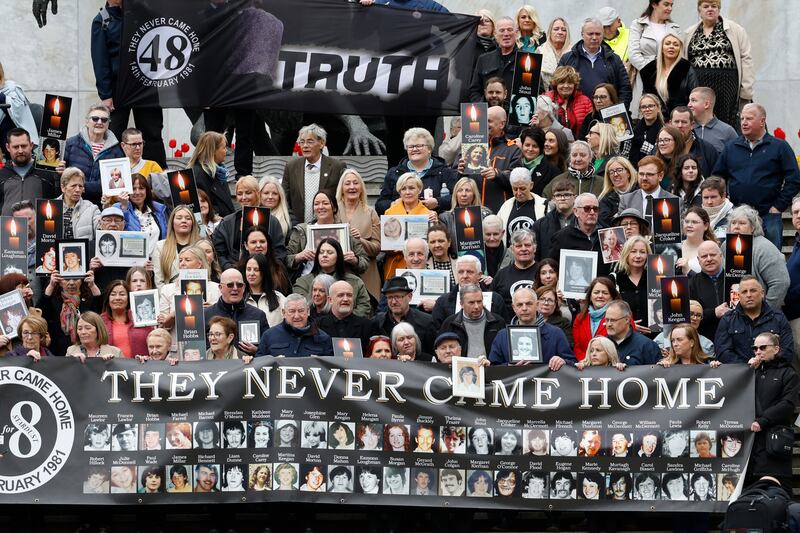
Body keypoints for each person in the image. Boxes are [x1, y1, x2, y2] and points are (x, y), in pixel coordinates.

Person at [713, 103, 800, 249]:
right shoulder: (731, 147)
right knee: (739, 258)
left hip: (769, 215)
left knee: (771, 255)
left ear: (762, 121)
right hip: (738, 215)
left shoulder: (779, 147)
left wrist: (778, 206)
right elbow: (717, 178)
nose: (744, 122)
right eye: (742, 119)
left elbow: (794, 179)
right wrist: (725, 201)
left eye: (749, 118)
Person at [684, 0, 754, 128]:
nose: (710, 9)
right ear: (699, 10)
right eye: (706, 6)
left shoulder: (735, 29)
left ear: (719, 9)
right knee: (700, 121)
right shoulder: (690, 33)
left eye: (714, 6)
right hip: (698, 85)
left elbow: (746, 58)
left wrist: (746, 90)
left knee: (725, 123)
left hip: (726, 87)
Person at [746, 332, 800, 491]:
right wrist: (747, 370)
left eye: (763, 347)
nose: (758, 352)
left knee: (778, 492)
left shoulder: (788, 373)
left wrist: (762, 420)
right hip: (752, 444)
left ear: (776, 349)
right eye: (755, 348)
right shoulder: (752, 371)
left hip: (774, 441)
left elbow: (788, 404)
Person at [376, 128, 457, 216]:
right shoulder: (394, 173)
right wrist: (394, 204)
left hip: (435, 222)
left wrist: (438, 202)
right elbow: (380, 205)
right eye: (410, 146)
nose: (414, 149)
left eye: (419, 146)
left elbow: (457, 198)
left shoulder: (444, 172)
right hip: (401, 222)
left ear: (429, 149)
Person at [213, 175, 287, 270]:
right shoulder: (227, 222)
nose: (244, 197)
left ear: (257, 194)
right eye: (240, 194)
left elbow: (279, 252)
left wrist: (267, 270)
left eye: (248, 193)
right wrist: (229, 268)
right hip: (233, 272)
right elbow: (219, 252)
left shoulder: (272, 221)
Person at [489, 287, 575, 369]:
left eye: (529, 304)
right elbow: (493, 367)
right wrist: (509, 366)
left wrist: (563, 361)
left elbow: (573, 363)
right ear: (514, 308)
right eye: (519, 305)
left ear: (537, 305)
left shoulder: (555, 333)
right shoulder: (502, 335)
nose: (524, 308)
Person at [715, 276, 794, 364]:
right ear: (739, 296)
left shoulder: (778, 318)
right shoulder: (728, 319)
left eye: (753, 290)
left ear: (762, 293)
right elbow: (722, 352)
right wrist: (748, 366)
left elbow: (787, 351)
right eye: (744, 292)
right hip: (740, 371)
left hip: (772, 371)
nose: (749, 295)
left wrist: (763, 366)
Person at [558, 18, 632, 108]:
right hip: (576, 113)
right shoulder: (567, 59)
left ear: (603, 35)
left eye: (598, 34)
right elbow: (555, 86)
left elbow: (625, 89)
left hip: (607, 113)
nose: (594, 38)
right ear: (582, 34)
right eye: (590, 34)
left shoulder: (614, 59)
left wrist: (618, 112)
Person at [727, 204, 790, 310]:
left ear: (752, 227)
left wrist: (766, 311)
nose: (736, 227)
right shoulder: (726, 246)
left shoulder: (765, 248)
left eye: (742, 223)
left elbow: (781, 282)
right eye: (733, 223)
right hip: (733, 312)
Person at [461, 106, 522, 213]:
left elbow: (518, 179)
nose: (484, 124)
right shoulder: (470, 145)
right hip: (471, 211)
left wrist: (497, 174)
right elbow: (454, 180)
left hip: (499, 212)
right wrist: (459, 171)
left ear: (502, 124)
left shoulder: (512, 149)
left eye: (489, 121)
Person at [281, 123, 347, 223]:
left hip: (328, 226)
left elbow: (343, 199)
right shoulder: (291, 167)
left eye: (310, 142)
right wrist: (294, 223)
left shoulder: (337, 167)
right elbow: (284, 199)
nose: (305, 146)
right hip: (298, 226)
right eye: (302, 142)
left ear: (322, 143)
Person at [61, 104, 125, 204]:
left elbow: (112, 185)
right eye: (95, 119)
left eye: (104, 120)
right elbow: (61, 176)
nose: (99, 122)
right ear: (87, 122)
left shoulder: (116, 151)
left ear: (108, 124)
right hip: (71, 202)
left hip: (101, 204)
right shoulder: (71, 143)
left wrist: (78, 185)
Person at [628, 1, 681, 117]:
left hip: (668, 77)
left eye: (671, 5)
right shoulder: (638, 24)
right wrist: (652, 71)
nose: (670, 8)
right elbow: (633, 54)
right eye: (666, 4)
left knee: (667, 113)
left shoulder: (675, 28)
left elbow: (680, 54)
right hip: (645, 76)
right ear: (654, 4)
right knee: (646, 112)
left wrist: (667, 72)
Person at [293, 237, 370, 317]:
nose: (324, 255)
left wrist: (343, 318)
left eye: (330, 252)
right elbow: (300, 306)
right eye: (321, 252)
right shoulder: (303, 282)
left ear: (338, 256)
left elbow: (364, 307)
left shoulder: (354, 281)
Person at [380, 173, 437, 279]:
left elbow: (434, 246)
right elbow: (383, 244)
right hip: (394, 265)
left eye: (411, 188)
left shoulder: (428, 215)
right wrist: (390, 248)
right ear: (399, 191)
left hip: (420, 266)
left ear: (419, 190)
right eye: (403, 189)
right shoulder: (390, 212)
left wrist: (436, 224)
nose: (407, 192)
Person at [336, 169, 382, 300]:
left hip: (366, 274)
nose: (352, 187)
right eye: (347, 183)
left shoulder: (370, 213)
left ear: (361, 188)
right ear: (341, 188)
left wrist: (359, 240)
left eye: (356, 183)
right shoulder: (333, 210)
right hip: (338, 272)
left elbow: (376, 248)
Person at [204, 268, 269, 356]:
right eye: (230, 285)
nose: (235, 288)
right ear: (220, 287)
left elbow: (268, 350)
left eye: (239, 285)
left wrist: (257, 351)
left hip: (249, 363)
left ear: (244, 287)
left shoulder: (258, 315)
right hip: (216, 364)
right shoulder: (206, 315)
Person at [256, 294, 333, 358]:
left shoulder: (323, 338)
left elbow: (329, 367)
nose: (297, 316)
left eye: (301, 311)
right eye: (292, 311)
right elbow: (259, 364)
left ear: (308, 311)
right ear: (283, 313)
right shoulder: (269, 336)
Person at [441, 284, 506, 359]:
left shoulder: (497, 322)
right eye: (471, 303)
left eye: (479, 302)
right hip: (461, 366)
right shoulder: (450, 323)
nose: (476, 306)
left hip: (491, 365)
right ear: (461, 304)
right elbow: (440, 350)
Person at [0, 128, 56, 216]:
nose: (20, 150)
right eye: (15, 147)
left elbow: (59, 200)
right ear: (8, 147)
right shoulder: (2, 174)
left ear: (31, 145)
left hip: (38, 224)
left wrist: (60, 176)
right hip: (7, 224)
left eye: (24, 146)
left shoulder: (47, 172)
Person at [374, 276, 436, 354]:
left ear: (410, 296)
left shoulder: (426, 322)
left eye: (398, 297)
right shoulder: (378, 322)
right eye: (390, 297)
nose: (393, 302)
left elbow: (433, 353)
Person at [640, 33, 697, 117]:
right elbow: (646, 98)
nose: (671, 47)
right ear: (662, 48)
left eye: (676, 45)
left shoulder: (686, 68)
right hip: (656, 117)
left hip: (680, 117)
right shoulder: (649, 70)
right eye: (667, 43)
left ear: (680, 49)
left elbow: (695, 96)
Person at [113, 173, 169, 257]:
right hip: (131, 261)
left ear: (147, 190)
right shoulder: (118, 207)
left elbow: (165, 238)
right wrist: (124, 208)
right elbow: (118, 232)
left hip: (156, 260)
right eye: (133, 189)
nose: (137, 192)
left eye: (141, 188)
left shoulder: (159, 209)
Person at [468, 17, 518, 104]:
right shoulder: (483, 59)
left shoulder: (528, 59)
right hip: (488, 111)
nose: (506, 34)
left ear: (516, 33)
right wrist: (484, 108)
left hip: (516, 111)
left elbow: (537, 90)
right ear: (495, 34)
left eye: (510, 30)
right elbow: (474, 91)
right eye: (502, 30)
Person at [317, 281, 377, 353]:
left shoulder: (368, 326)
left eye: (349, 295)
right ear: (330, 300)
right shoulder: (317, 326)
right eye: (340, 295)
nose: (345, 299)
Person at [548, 193, 603, 270]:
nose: (592, 212)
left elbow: (616, 265)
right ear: (576, 211)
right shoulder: (561, 237)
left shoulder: (608, 234)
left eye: (595, 209)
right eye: (587, 208)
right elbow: (553, 266)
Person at [187, 131, 235, 217]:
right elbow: (198, 209)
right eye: (224, 148)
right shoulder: (197, 175)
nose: (226, 151)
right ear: (213, 151)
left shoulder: (219, 172)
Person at [151, 205, 201, 287]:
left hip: (197, 291)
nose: (184, 221)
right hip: (169, 293)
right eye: (179, 218)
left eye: (188, 218)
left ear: (193, 223)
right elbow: (159, 281)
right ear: (172, 222)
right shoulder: (160, 247)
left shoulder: (200, 245)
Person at [100, 280, 152, 358]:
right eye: (113, 294)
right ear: (108, 298)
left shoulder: (141, 317)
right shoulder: (100, 322)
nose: (117, 298)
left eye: (122, 294)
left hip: (140, 364)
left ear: (129, 298)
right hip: (111, 365)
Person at [571, 278, 617, 361]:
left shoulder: (621, 316)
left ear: (612, 296)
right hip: (584, 365)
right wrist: (587, 361)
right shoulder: (579, 318)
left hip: (611, 366)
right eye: (596, 292)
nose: (600, 296)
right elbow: (577, 347)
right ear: (590, 296)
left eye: (605, 293)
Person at [492, 229, 540, 308]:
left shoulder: (543, 272)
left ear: (534, 248)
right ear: (512, 249)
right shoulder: (502, 274)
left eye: (527, 245)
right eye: (518, 246)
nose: (523, 249)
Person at [688, 240, 727, 339]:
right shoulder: (692, 284)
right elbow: (688, 316)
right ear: (698, 259)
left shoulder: (734, 280)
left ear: (721, 256)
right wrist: (713, 313)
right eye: (704, 256)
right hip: (704, 339)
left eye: (713, 255)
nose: (709, 259)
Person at [604, 300, 661, 366]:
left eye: (613, 320)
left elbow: (657, 371)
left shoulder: (647, 346)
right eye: (607, 320)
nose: (609, 324)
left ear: (627, 319)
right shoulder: (601, 345)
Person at [541, 66, 593, 138]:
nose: (566, 86)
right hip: (550, 141)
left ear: (575, 84)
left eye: (570, 82)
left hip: (578, 142)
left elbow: (591, 128)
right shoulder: (545, 99)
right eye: (562, 82)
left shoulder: (585, 101)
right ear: (556, 84)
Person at [533, 179, 575, 261]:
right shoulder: (540, 225)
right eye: (558, 195)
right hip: (550, 267)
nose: (562, 198)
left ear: (574, 197)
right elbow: (536, 254)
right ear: (553, 199)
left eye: (567, 195)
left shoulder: (582, 222)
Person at [242, 253, 288, 328]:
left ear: (264, 272)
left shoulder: (278, 298)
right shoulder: (239, 298)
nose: (251, 273)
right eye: (248, 269)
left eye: (256, 270)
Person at [687, 87, 738, 153]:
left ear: (706, 104)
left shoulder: (727, 131)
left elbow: (737, 156)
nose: (689, 105)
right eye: (689, 101)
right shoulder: (686, 128)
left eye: (693, 100)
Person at [628, 93, 665, 165]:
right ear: (640, 110)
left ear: (658, 108)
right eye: (643, 107)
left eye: (650, 106)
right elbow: (625, 153)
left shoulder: (664, 131)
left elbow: (658, 154)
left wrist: (642, 143)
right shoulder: (634, 130)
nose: (647, 109)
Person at [678, 206, 717, 275]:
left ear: (706, 226)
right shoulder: (676, 247)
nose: (689, 225)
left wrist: (689, 272)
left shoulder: (712, 250)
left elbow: (715, 279)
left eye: (694, 222)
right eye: (686, 221)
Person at [539, 18, 571, 89]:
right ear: (550, 32)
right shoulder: (540, 51)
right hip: (544, 93)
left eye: (563, 30)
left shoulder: (573, 52)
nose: (560, 32)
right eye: (556, 29)